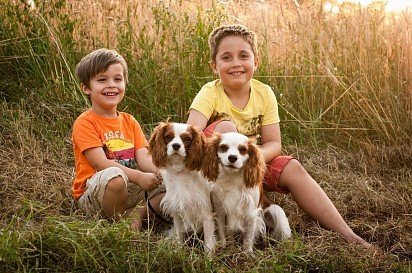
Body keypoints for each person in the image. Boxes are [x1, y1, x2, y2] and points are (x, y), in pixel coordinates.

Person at [187, 25, 372, 248]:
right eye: (226, 57)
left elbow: (274, 143)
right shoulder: (210, 92)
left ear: (256, 62)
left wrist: (253, 160)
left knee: (294, 168)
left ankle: (349, 235)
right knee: (226, 127)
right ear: (214, 66)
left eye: (244, 56)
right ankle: (226, 222)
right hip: (218, 168)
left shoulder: (264, 93)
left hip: (252, 163)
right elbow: (193, 136)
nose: (236, 63)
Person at [71, 48, 164, 230]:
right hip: (98, 192)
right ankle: (120, 224)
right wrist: (138, 176)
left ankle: (137, 214)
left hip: (132, 187)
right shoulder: (85, 122)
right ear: (86, 88)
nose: (111, 85)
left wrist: (162, 174)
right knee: (114, 178)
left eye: (117, 79)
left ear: (125, 84)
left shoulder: (129, 121)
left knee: (171, 184)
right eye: (102, 80)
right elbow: (100, 164)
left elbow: (143, 157)